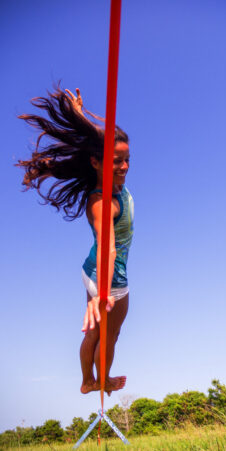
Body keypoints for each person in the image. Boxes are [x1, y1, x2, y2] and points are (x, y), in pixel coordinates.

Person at [17, 86, 134, 395]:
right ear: (96, 163)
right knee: (110, 336)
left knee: (94, 334)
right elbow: (108, 248)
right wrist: (103, 295)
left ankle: (86, 381)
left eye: (126, 160)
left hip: (90, 271)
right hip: (109, 278)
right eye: (116, 161)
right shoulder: (103, 202)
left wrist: (79, 115)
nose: (123, 167)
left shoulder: (102, 183)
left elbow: (98, 141)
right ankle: (102, 380)